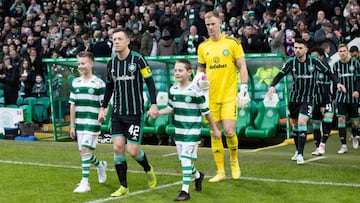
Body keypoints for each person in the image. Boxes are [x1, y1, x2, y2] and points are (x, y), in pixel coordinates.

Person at [98, 27, 158, 197]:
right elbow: (109, 87)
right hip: (117, 113)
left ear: (127, 41)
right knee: (118, 148)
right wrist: (103, 108)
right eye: (114, 39)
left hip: (134, 114)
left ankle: (148, 168)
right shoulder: (111, 63)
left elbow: (150, 83)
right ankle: (124, 186)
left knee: (132, 151)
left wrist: (154, 104)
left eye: (119, 39)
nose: (116, 42)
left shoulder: (138, 60)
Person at [267, 38, 346, 164]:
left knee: (302, 121)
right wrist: (272, 86)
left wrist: (337, 83)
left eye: (300, 48)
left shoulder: (314, 61)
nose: (297, 50)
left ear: (306, 49)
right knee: (295, 126)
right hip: (294, 99)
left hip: (308, 98)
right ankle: (298, 150)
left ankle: (300, 155)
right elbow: (280, 75)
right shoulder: (291, 62)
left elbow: (328, 72)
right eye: (295, 47)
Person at [195, 11, 250, 182]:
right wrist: (199, 81)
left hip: (228, 95)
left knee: (229, 130)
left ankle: (234, 161)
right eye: (208, 24)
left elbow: (242, 66)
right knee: (215, 133)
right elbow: (200, 71)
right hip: (211, 96)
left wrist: (244, 88)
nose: (210, 27)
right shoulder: (203, 47)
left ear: (220, 22)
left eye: (213, 24)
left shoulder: (232, 43)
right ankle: (220, 171)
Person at [158, 60, 221, 201]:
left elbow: (207, 112)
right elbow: (171, 108)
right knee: (185, 162)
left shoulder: (196, 91)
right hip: (179, 132)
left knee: (186, 160)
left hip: (192, 132)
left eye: (180, 70)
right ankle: (198, 176)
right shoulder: (173, 89)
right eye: (175, 70)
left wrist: (215, 129)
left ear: (189, 72)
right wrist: (158, 113)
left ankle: (184, 192)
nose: (177, 73)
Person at [69, 51, 107, 193]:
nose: (80, 66)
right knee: (85, 153)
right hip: (80, 122)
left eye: (83, 63)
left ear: (91, 64)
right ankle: (101, 165)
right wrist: (72, 125)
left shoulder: (99, 83)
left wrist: (102, 114)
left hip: (92, 122)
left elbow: (104, 105)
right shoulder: (75, 82)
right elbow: (72, 105)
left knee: (85, 150)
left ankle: (85, 183)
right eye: (79, 63)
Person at [332, 44, 360, 153]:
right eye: (340, 51)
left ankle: (355, 134)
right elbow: (335, 81)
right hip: (341, 97)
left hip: (353, 96)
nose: (342, 53)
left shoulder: (355, 63)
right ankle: (343, 145)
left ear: (347, 51)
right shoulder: (336, 65)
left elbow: (358, 79)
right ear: (338, 53)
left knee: (355, 122)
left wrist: (357, 90)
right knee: (341, 119)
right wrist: (334, 94)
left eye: (344, 51)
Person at [309, 47, 334, 156]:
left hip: (326, 99)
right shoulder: (310, 68)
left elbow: (327, 87)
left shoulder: (325, 67)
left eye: (315, 56)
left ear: (321, 57)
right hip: (315, 100)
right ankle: (317, 147)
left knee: (327, 120)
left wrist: (324, 104)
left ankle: (322, 145)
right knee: (315, 125)